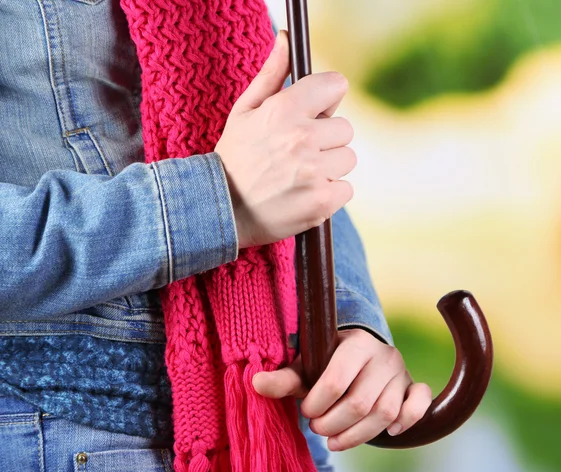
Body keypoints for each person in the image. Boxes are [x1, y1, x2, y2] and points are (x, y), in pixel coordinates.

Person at [0, 1, 432, 471]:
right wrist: (217, 197)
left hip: (281, 429)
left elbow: (285, 173)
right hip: (59, 429)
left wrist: (346, 324)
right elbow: (248, 183)